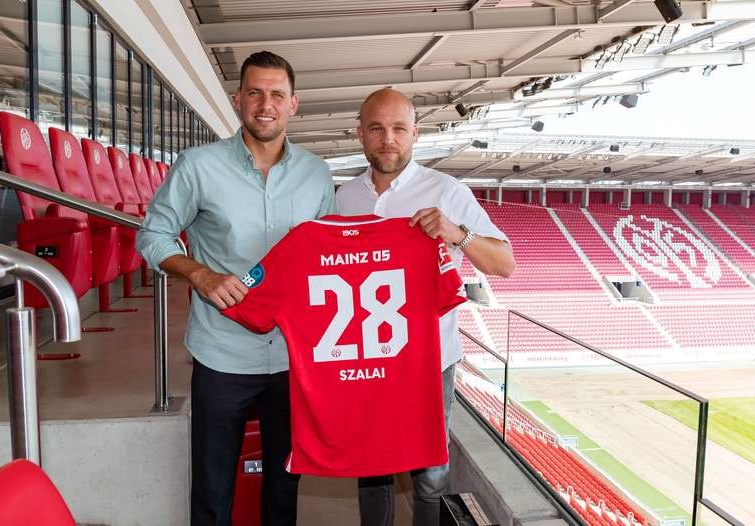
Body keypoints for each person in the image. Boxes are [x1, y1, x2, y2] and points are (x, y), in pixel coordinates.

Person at [136, 51, 334, 526]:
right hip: (221, 355)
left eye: (277, 95)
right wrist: (199, 274)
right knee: (212, 490)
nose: (266, 105)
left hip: (291, 358)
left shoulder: (317, 173)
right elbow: (152, 235)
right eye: (255, 93)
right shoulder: (197, 165)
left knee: (284, 489)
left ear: (293, 104)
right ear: (238, 99)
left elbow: (324, 259)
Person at [336, 88, 515, 526]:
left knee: (430, 475)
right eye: (377, 129)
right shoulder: (342, 198)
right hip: (366, 360)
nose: (388, 139)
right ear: (360, 134)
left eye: (399, 129)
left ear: (415, 134)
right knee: (370, 467)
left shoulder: (446, 191)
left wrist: (458, 234)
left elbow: (505, 263)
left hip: (429, 362)